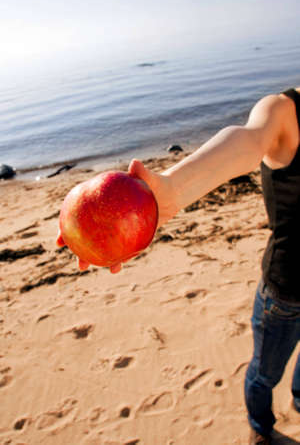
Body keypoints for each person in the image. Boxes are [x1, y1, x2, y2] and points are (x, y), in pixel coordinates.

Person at [112, 87, 300, 444]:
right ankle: (260, 428)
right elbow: (247, 142)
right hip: (286, 290)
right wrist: (175, 187)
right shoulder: (283, 110)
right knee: (264, 373)